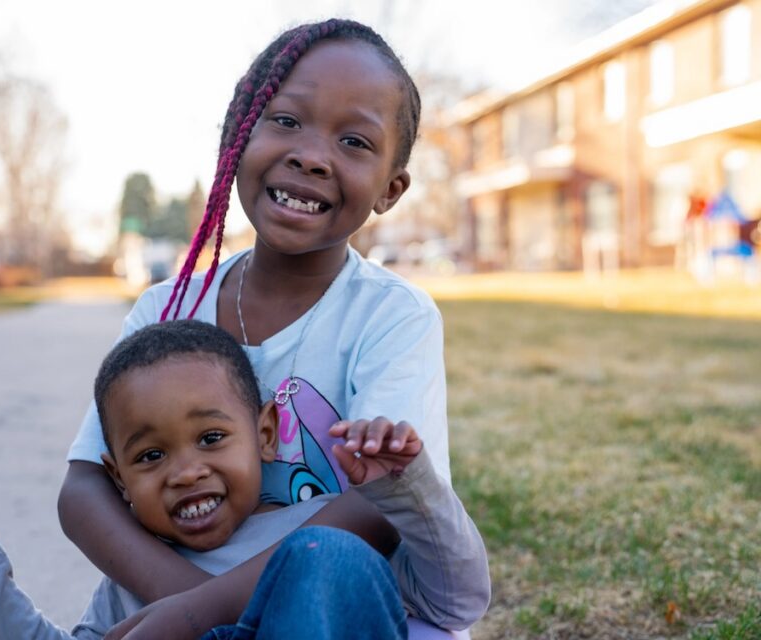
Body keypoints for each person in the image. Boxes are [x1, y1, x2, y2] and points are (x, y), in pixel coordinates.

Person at [58, 18, 479, 639]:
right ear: (237, 134)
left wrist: (200, 616)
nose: (310, 155)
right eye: (285, 120)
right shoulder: (166, 309)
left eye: (355, 142)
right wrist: (198, 614)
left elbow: (377, 509)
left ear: (391, 189)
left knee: (324, 563)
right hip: (191, 611)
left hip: (340, 611)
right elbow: (85, 490)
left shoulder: (392, 317)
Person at [0, 321, 489, 639]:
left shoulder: (317, 531)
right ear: (119, 479)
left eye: (211, 439)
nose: (186, 472)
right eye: (151, 456)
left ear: (266, 434)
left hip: (328, 573)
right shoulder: (132, 585)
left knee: (327, 556)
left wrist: (405, 489)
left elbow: (458, 596)